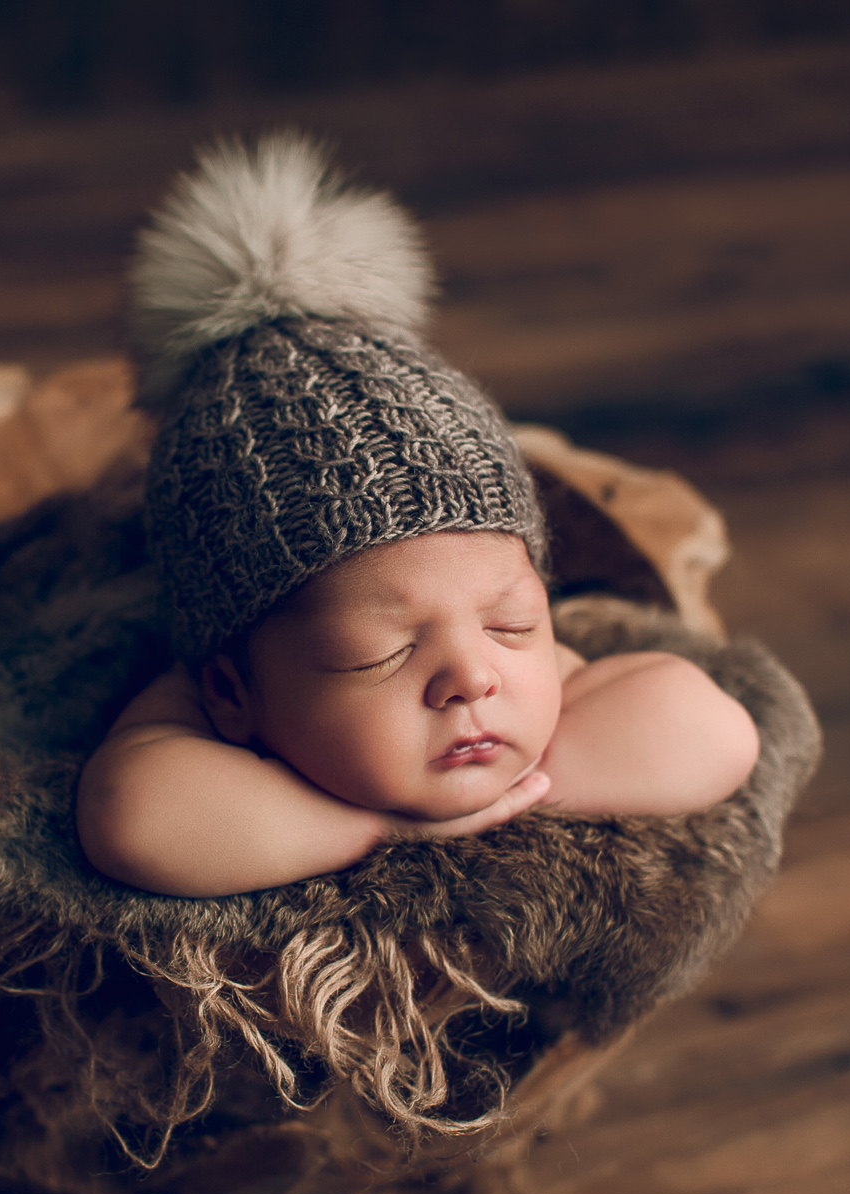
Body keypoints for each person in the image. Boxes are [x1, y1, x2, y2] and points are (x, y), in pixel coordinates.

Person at [77, 134, 758, 898]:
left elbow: (712, 730)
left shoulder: (515, 687)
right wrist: (380, 830)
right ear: (236, 692)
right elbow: (129, 817)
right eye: (381, 653)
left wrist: (523, 794)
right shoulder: (198, 707)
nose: (472, 675)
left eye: (512, 622)